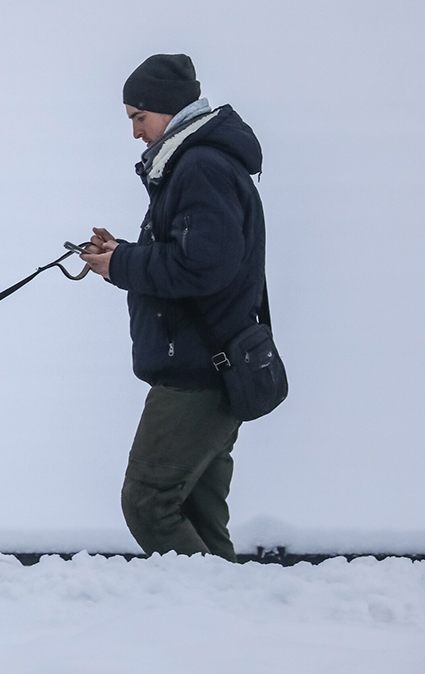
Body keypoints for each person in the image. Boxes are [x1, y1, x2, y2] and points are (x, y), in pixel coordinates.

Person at [79, 54, 268, 561]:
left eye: (139, 118)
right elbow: (195, 258)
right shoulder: (197, 164)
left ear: (166, 111)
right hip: (211, 366)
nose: (136, 133)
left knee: (148, 503)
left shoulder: (200, 166)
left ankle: (204, 620)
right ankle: (228, 627)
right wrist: (121, 254)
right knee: (201, 522)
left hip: (197, 374)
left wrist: (121, 264)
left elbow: (202, 267)